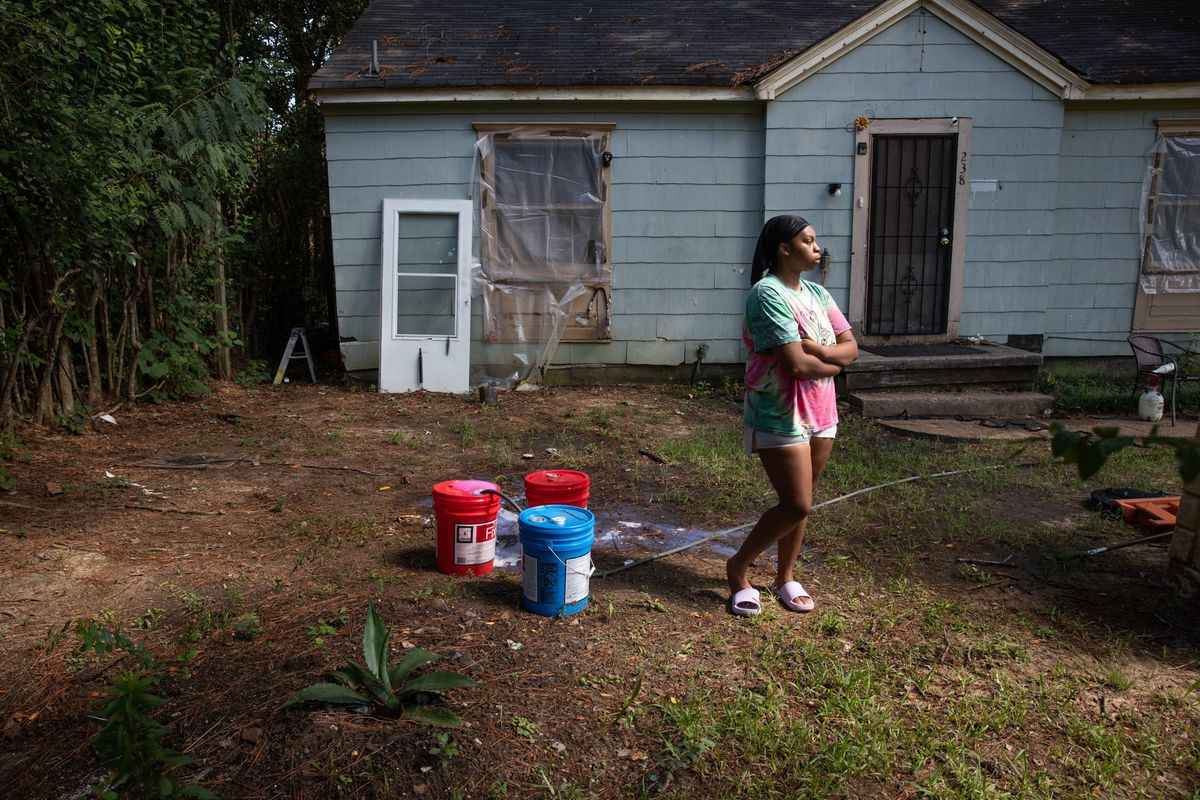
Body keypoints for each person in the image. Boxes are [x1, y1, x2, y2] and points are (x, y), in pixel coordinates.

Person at [728, 215, 858, 616]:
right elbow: (794, 364)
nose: (817, 248)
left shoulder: (818, 295)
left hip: (822, 411)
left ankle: (786, 575)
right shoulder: (767, 295)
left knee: (802, 500)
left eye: (815, 240)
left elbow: (849, 347)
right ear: (784, 249)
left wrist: (822, 354)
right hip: (780, 413)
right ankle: (737, 568)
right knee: (797, 504)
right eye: (807, 241)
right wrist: (832, 363)